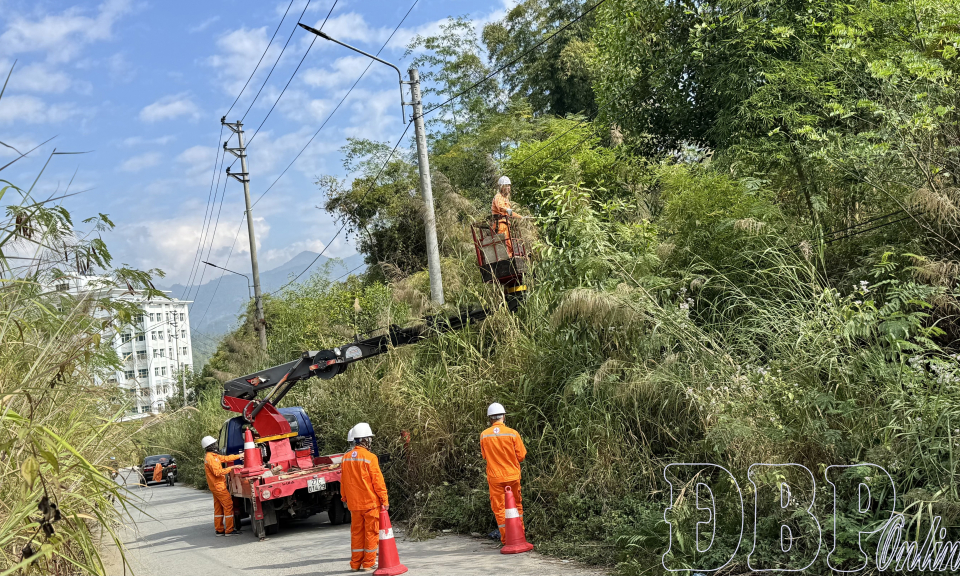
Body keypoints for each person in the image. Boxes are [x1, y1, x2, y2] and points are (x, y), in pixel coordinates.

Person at [340, 423, 389, 572]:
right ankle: (368, 563)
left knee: (356, 533)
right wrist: (384, 500)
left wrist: (344, 497)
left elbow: (343, 481)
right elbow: (378, 481)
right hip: (370, 504)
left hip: (354, 505)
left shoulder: (345, 458)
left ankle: (355, 564)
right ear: (365, 440)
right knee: (371, 533)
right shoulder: (370, 457)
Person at [480, 402, 527, 544]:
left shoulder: (484, 436)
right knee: (516, 505)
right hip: (512, 476)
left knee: (500, 508)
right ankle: (520, 535)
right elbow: (521, 456)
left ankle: (507, 539)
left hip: (495, 478)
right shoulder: (513, 434)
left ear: (490, 419)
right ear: (504, 417)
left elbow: (485, 456)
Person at [202, 435, 242, 536]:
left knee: (218, 508)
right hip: (218, 486)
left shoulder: (212, 456)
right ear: (210, 446)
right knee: (228, 505)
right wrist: (232, 468)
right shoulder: (211, 458)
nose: (216, 445)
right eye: (214, 444)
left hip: (215, 486)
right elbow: (218, 472)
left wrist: (239, 456)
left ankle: (219, 529)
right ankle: (229, 530)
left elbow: (225, 458)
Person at [492, 176, 522, 257]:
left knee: (509, 244)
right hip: (500, 224)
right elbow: (500, 207)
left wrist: (521, 217)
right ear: (502, 187)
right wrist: (507, 210)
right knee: (504, 244)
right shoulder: (498, 197)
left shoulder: (506, 199)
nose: (509, 188)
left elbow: (511, 213)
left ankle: (511, 261)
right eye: (507, 186)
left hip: (506, 224)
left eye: (509, 186)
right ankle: (507, 261)